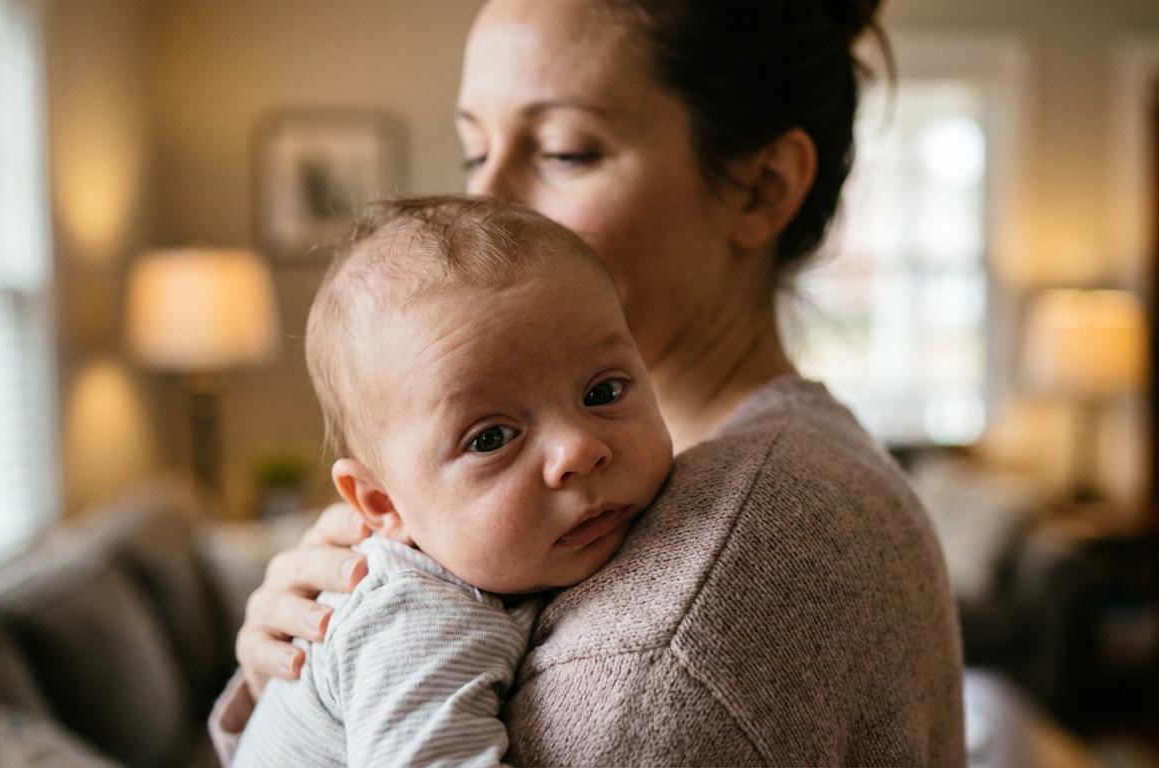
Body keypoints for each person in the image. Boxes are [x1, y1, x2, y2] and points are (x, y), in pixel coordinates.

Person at [215, 0, 967, 764]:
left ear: (763, 186)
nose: (488, 201)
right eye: (475, 152)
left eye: (566, 152)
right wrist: (301, 674)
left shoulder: (677, 624)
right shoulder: (654, 498)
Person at [231, 196, 673, 767]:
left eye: (603, 393)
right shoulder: (417, 620)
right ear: (382, 503)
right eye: (491, 439)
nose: (578, 450)